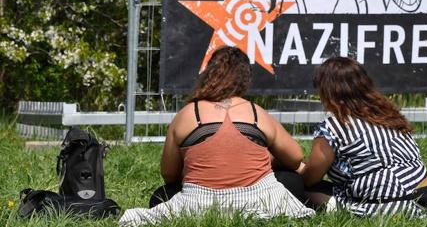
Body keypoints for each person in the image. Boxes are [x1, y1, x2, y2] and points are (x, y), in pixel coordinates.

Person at [119, 47, 314, 226]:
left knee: (161, 195)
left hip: (199, 202)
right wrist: (268, 159)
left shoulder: (187, 114)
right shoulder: (256, 113)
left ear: (208, 74)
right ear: (245, 79)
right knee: (292, 180)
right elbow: (295, 157)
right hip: (260, 199)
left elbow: (169, 174)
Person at [299, 56, 427, 217]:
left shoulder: (334, 126)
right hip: (426, 202)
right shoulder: (389, 114)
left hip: (389, 208)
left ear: (328, 92)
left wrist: (296, 167)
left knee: (291, 183)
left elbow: (310, 179)